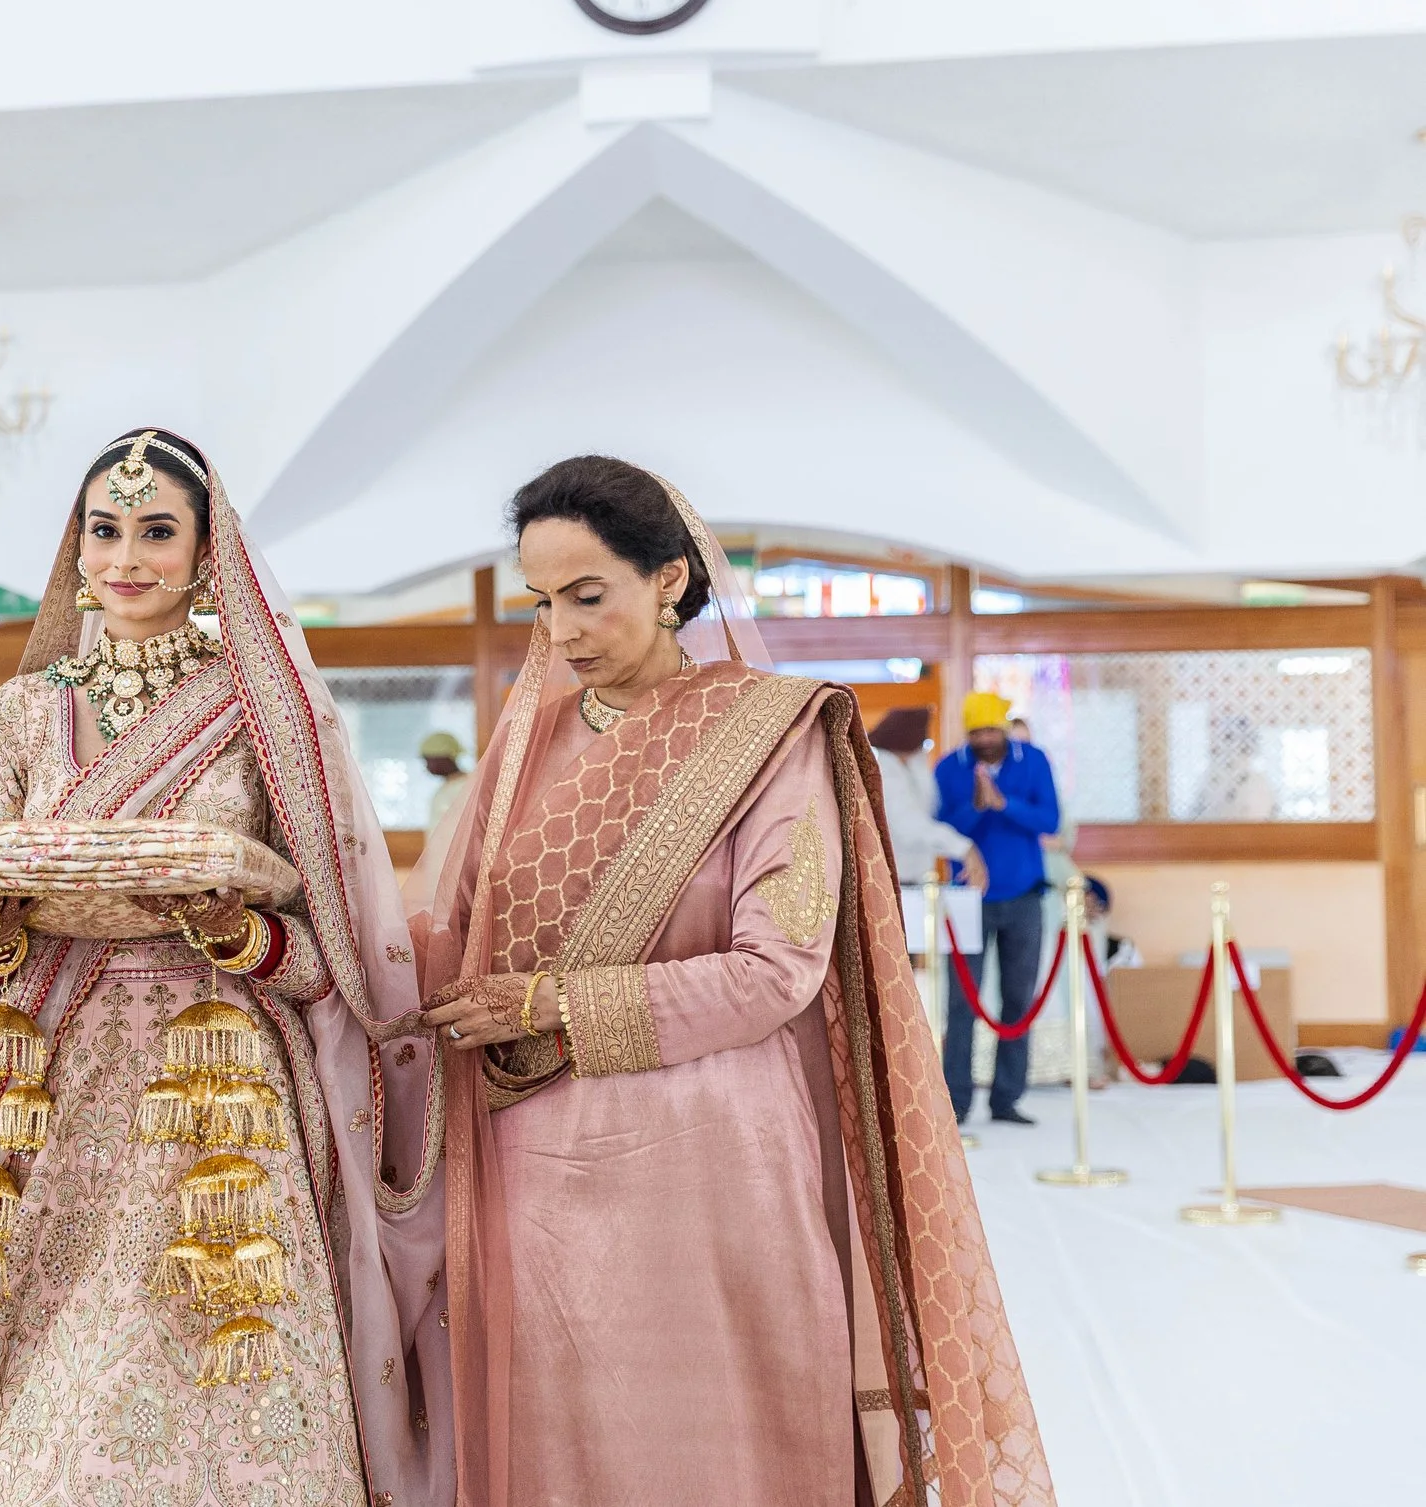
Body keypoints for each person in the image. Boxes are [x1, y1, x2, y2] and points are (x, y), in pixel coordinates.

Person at [0, 428, 446, 1507]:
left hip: (218, 1098)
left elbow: (336, 958)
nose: (125, 554)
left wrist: (240, 934)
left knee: (219, 1359)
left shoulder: (266, 716)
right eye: (103, 528)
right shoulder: (24, 713)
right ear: (73, 543)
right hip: (50, 1084)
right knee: (43, 1375)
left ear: (206, 551)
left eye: (155, 530)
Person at [416, 457, 1052, 1507]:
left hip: (713, 1161)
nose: (563, 630)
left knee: (721, 1455)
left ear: (668, 578)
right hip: (535, 1165)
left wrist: (558, 1003)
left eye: (588, 595)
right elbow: (463, 935)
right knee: (559, 1449)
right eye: (541, 601)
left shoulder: (765, 733)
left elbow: (777, 968)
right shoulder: (524, 745)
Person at [936, 692, 1063, 1126]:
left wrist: (1004, 804)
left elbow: (1050, 821)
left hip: (1025, 895)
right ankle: (956, 1100)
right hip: (966, 899)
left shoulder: (1034, 761)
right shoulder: (949, 768)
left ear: (1005, 729)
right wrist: (976, 806)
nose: (985, 739)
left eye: (991, 730)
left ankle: (1006, 1099)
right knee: (961, 1002)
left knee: (1018, 998)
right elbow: (944, 830)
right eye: (976, 733)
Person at [868, 706, 985, 895]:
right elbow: (911, 826)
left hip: (914, 882)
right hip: (894, 885)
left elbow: (933, 816)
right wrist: (964, 848)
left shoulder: (911, 768)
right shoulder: (885, 774)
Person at [420, 730, 471, 834]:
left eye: (429, 760)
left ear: (446, 758)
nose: (427, 766)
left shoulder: (467, 787)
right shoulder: (445, 788)